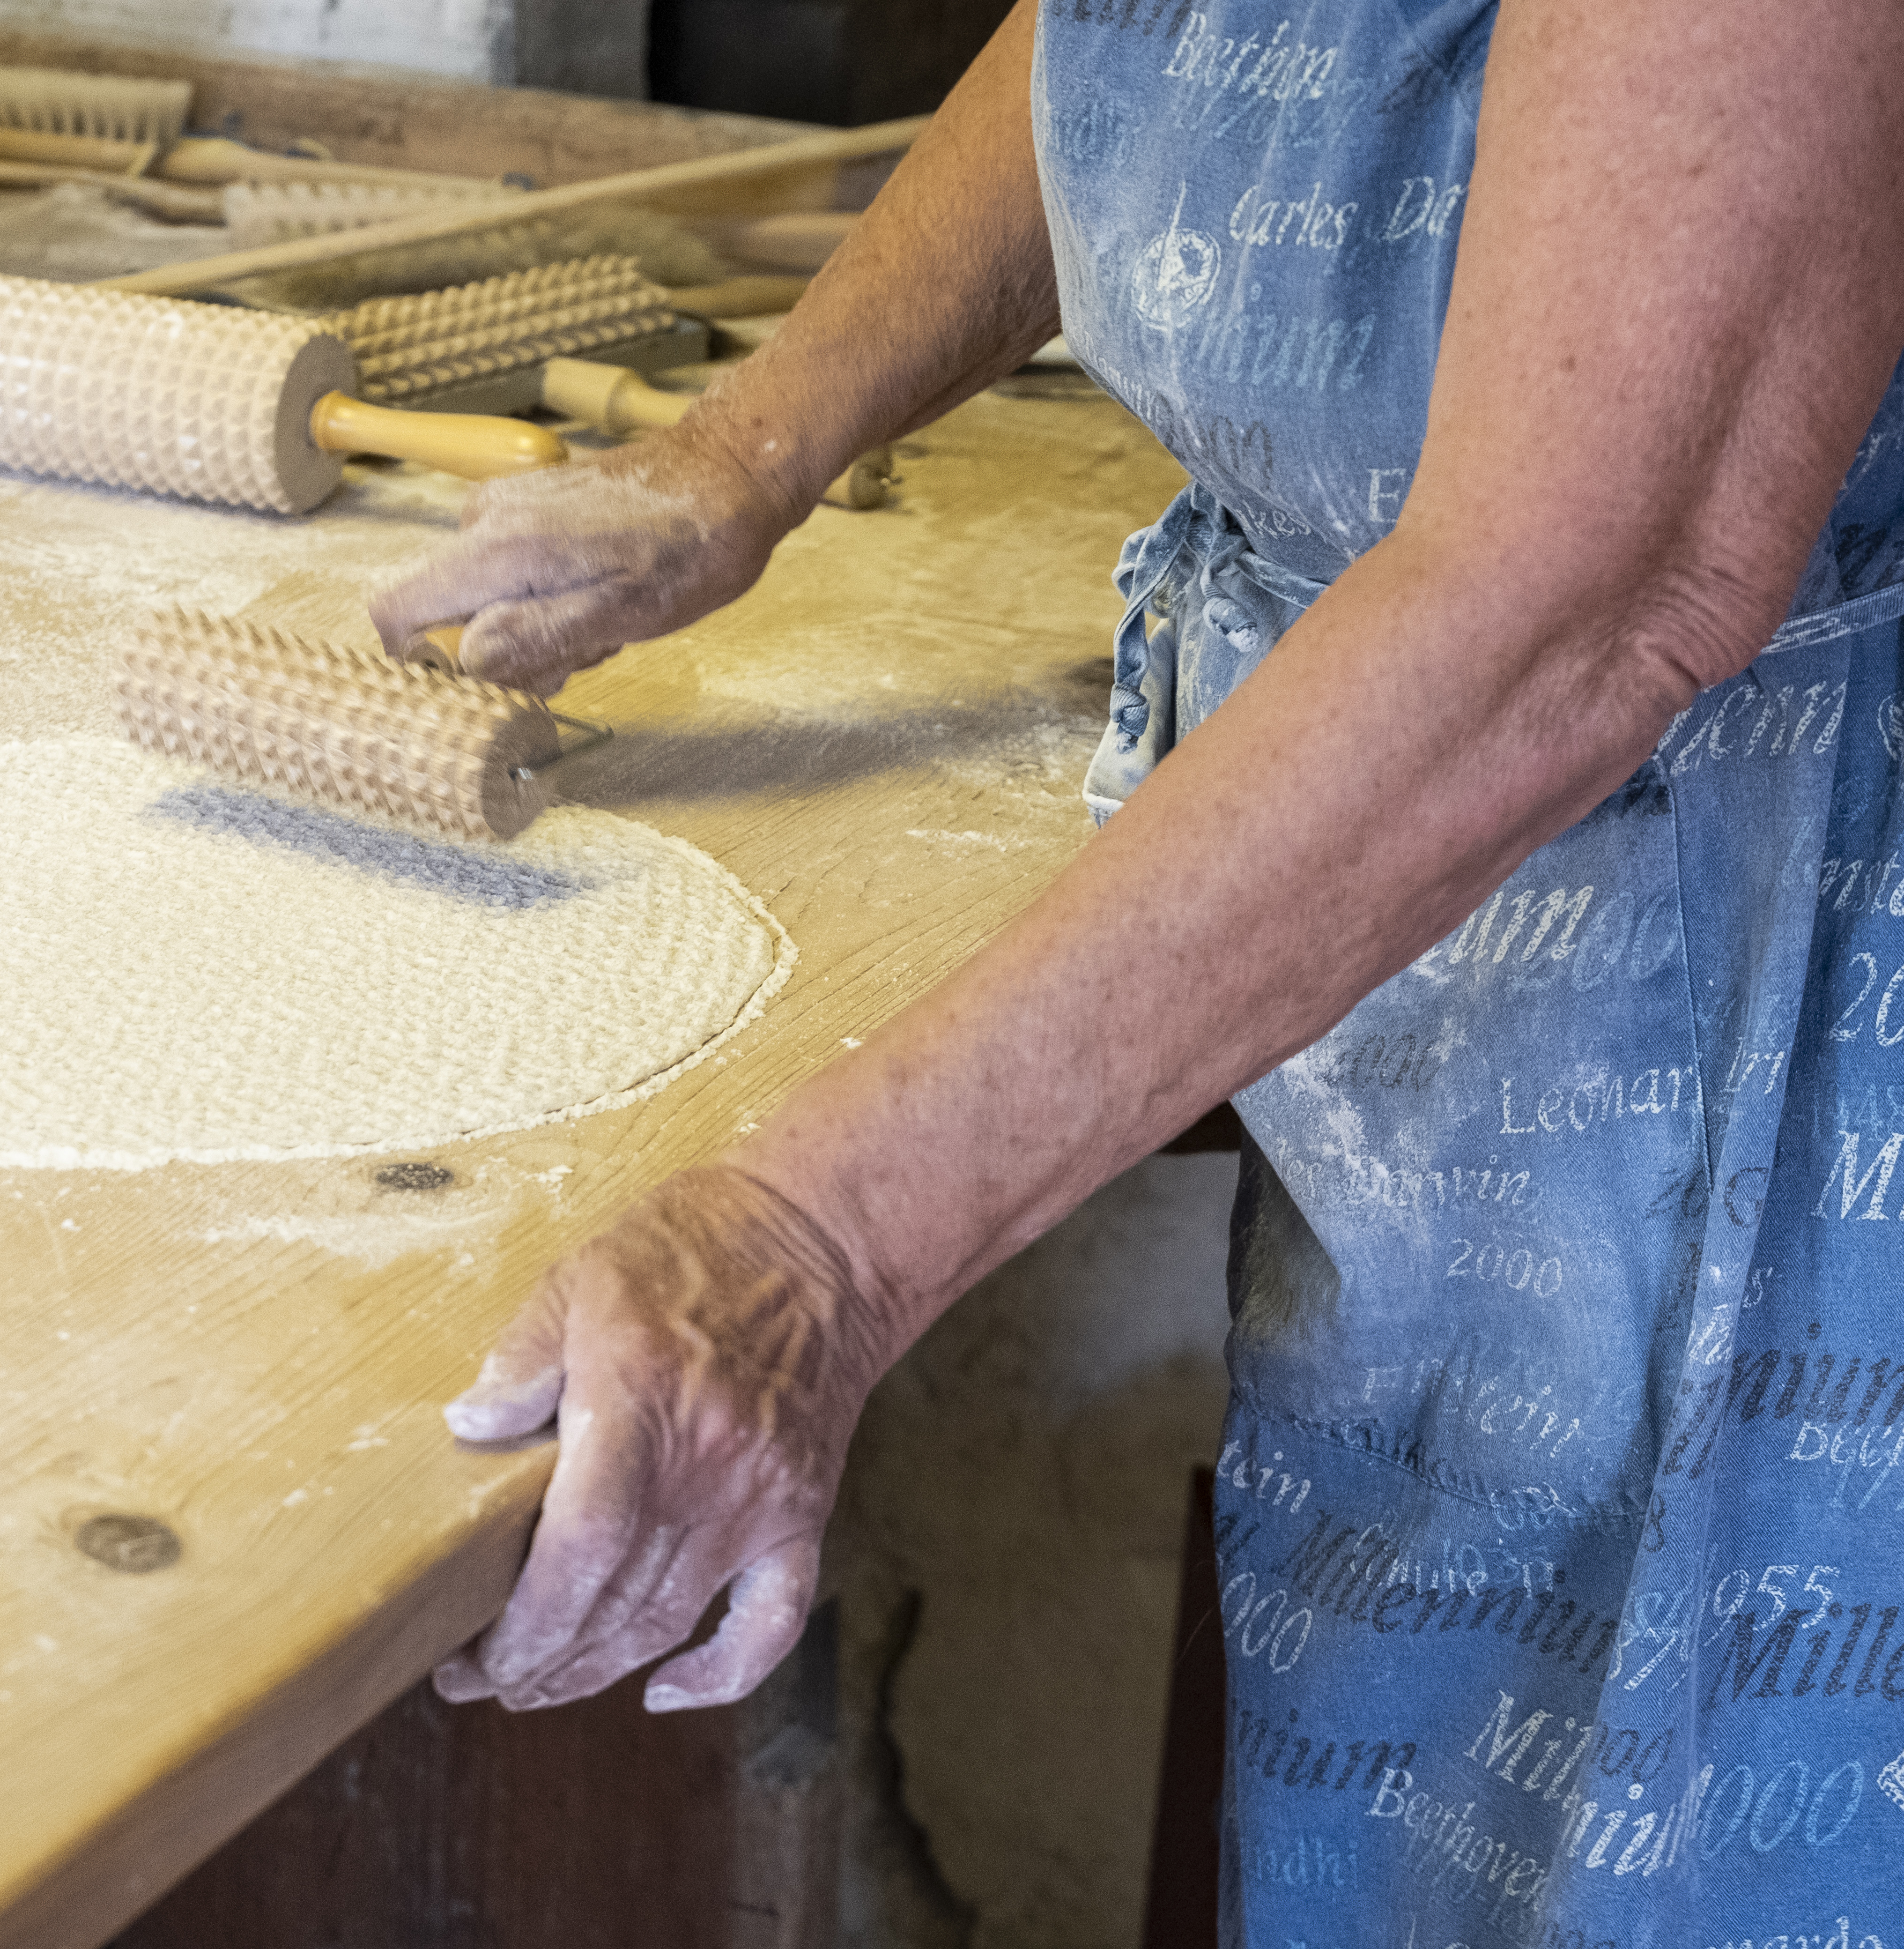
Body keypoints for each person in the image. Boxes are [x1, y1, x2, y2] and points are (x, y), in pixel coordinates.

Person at [369, 0, 1904, 1935]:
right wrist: (746, 451)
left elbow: (1604, 580)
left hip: (1805, 1003)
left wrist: (815, 1241)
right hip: (1467, 964)